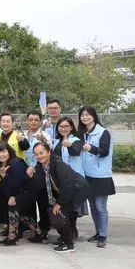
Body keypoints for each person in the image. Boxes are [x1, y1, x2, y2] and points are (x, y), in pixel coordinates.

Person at [28, 141, 90, 253]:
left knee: (59, 215)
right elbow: (39, 185)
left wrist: (59, 203)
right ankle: (65, 239)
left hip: (77, 190)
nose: (39, 156)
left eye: (41, 153)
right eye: (36, 154)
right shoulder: (41, 166)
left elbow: (67, 184)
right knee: (54, 213)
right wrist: (31, 176)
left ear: (49, 152)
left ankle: (68, 244)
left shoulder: (58, 163)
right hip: (67, 192)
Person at [78, 106, 115, 248]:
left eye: (87, 115)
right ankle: (98, 232)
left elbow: (104, 151)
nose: (85, 117)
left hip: (101, 176)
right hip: (87, 175)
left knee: (100, 207)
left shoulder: (103, 132)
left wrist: (91, 148)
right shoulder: (83, 133)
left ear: (93, 116)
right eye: (82, 115)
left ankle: (103, 235)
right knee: (93, 206)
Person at [0, 142, 43, 246]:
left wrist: (5, 177)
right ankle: (39, 233)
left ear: (9, 151)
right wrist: (10, 195)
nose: (1, 154)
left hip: (28, 191)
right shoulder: (0, 163)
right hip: (18, 192)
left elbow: (18, 184)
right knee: (21, 214)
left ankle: (12, 237)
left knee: (13, 207)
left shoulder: (17, 163)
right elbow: (6, 186)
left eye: (3, 151)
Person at [0, 112, 29, 228]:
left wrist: (22, 140)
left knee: (17, 202)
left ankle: (22, 227)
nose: (5, 123)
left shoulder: (18, 134)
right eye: (3, 121)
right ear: (0, 122)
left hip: (16, 173)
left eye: (8, 121)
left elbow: (25, 147)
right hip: (2, 175)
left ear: (12, 122)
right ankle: (8, 225)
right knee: (4, 200)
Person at [52, 116, 86, 239]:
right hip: (60, 179)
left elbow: (75, 151)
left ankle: (71, 231)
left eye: (67, 126)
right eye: (61, 126)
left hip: (73, 179)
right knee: (63, 206)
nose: (64, 128)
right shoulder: (56, 140)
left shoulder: (75, 140)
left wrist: (69, 145)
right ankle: (66, 232)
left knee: (71, 208)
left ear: (71, 127)